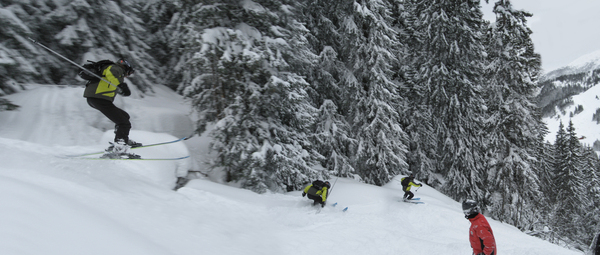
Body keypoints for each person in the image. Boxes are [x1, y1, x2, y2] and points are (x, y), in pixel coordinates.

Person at [83, 58, 141, 153]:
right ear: (127, 68)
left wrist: (121, 89)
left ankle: (121, 139)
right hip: (98, 99)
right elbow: (111, 74)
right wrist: (121, 85)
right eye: (129, 73)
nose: (127, 75)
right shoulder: (116, 68)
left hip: (97, 99)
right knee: (124, 123)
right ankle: (120, 146)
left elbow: (110, 81)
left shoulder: (115, 70)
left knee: (124, 116)